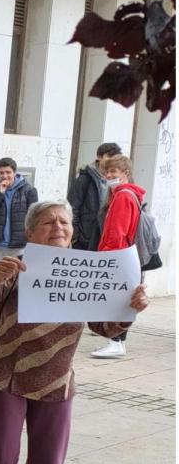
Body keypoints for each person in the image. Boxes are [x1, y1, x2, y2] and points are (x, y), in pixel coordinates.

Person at [0, 200, 148, 464]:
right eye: (48, 222)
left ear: (73, 230)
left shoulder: (86, 271)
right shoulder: (15, 268)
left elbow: (104, 327)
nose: (58, 227)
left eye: (64, 222)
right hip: (7, 377)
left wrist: (128, 309)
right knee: (1, 457)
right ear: (31, 232)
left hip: (57, 382)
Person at [90, 154, 145, 359]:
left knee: (117, 301)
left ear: (126, 173)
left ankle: (116, 342)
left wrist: (106, 260)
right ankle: (116, 341)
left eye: (114, 171)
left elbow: (116, 232)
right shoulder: (127, 194)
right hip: (124, 256)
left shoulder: (123, 196)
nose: (109, 175)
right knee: (121, 299)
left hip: (118, 256)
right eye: (107, 171)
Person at [0, 157, 38, 326]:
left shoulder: (28, 190)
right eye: (2, 172)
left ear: (14, 172)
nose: (5, 176)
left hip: (19, 244)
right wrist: (0, 193)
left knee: (18, 282)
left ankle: (16, 316)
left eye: (8, 172)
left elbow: (34, 217)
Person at [67, 142, 121, 250]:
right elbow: (71, 208)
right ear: (99, 157)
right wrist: (75, 237)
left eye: (115, 158)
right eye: (109, 156)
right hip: (85, 240)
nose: (112, 161)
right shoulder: (84, 179)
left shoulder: (116, 179)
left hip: (104, 238)